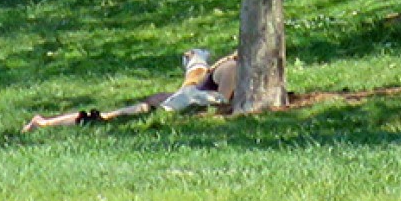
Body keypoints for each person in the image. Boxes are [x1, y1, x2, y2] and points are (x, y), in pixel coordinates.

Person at [21, 49, 238, 132]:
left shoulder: (234, 68)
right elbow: (221, 105)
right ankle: (44, 123)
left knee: (111, 116)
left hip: (179, 102)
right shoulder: (232, 69)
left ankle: (45, 123)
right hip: (176, 105)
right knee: (106, 118)